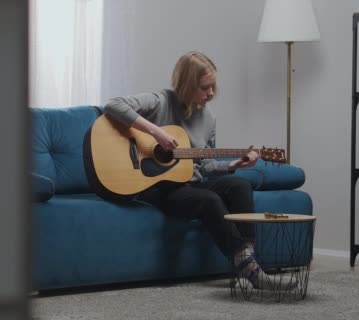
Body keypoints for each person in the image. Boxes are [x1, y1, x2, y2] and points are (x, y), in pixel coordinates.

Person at [103, 51, 279, 290]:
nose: (212, 93)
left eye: (213, 86)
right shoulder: (160, 101)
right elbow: (113, 105)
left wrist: (231, 166)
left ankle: (247, 264)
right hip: (155, 185)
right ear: (187, 85)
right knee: (208, 199)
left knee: (240, 185)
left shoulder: (209, 118)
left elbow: (203, 166)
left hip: (188, 183)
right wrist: (156, 132)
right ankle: (252, 271)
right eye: (205, 87)